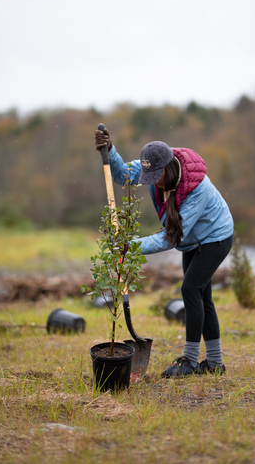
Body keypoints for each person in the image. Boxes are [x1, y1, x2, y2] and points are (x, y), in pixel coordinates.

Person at [95, 127, 234, 378]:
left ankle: (190, 361)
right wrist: (110, 151)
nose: (154, 181)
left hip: (216, 237)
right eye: (150, 175)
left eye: (158, 176)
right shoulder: (150, 165)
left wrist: (130, 246)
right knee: (201, 296)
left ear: (169, 167)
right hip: (192, 241)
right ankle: (215, 363)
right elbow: (122, 175)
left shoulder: (197, 188)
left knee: (191, 289)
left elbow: (171, 238)